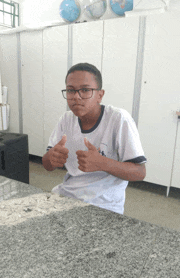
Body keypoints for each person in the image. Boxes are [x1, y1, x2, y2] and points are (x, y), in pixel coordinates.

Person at [42, 63, 147, 214]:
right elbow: (47, 165)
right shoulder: (66, 119)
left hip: (105, 205)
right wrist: (51, 158)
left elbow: (140, 172)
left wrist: (102, 163)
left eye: (85, 90)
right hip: (67, 195)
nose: (76, 97)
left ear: (100, 95)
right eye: (71, 90)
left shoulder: (118, 119)